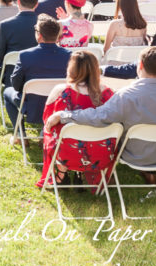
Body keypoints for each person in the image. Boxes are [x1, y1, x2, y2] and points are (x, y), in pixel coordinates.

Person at [45, 47, 156, 174]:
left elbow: (98, 116)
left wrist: (64, 114)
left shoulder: (127, 95)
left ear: (140, 65)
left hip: (135, 154)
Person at [37, 51, 117, 188]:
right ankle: (80, 172)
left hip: (67, 153)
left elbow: (47, 120)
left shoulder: (61, 91)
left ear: (71, 69)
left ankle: (62, 172)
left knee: (52, 130)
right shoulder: (108, 93)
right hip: (100, 154)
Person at [3, 15, 71, 130]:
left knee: (7, 92)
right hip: (59, 105)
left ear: (39, 35)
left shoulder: (25, 55)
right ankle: (45, 132)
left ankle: (20, 135)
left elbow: (15, 84)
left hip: (31, 106)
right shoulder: (70, 55)